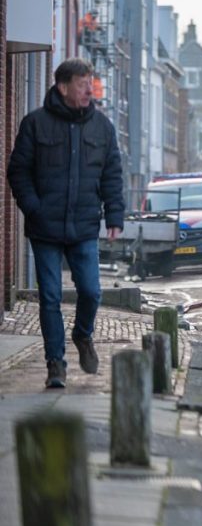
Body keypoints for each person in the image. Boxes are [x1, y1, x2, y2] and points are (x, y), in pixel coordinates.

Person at [7, 58, 124, 388]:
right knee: (50, 297)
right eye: (82, 84)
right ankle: (55, 364)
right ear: (62, 87)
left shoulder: (102, 128)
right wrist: (34, 208)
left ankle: (82, 334)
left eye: (90, 83)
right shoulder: (35, 123)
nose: (89, 90)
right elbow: (18, 171)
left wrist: (115, 216)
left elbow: (112, 174)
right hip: (45, 227)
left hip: (84, 226)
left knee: (91, 291)